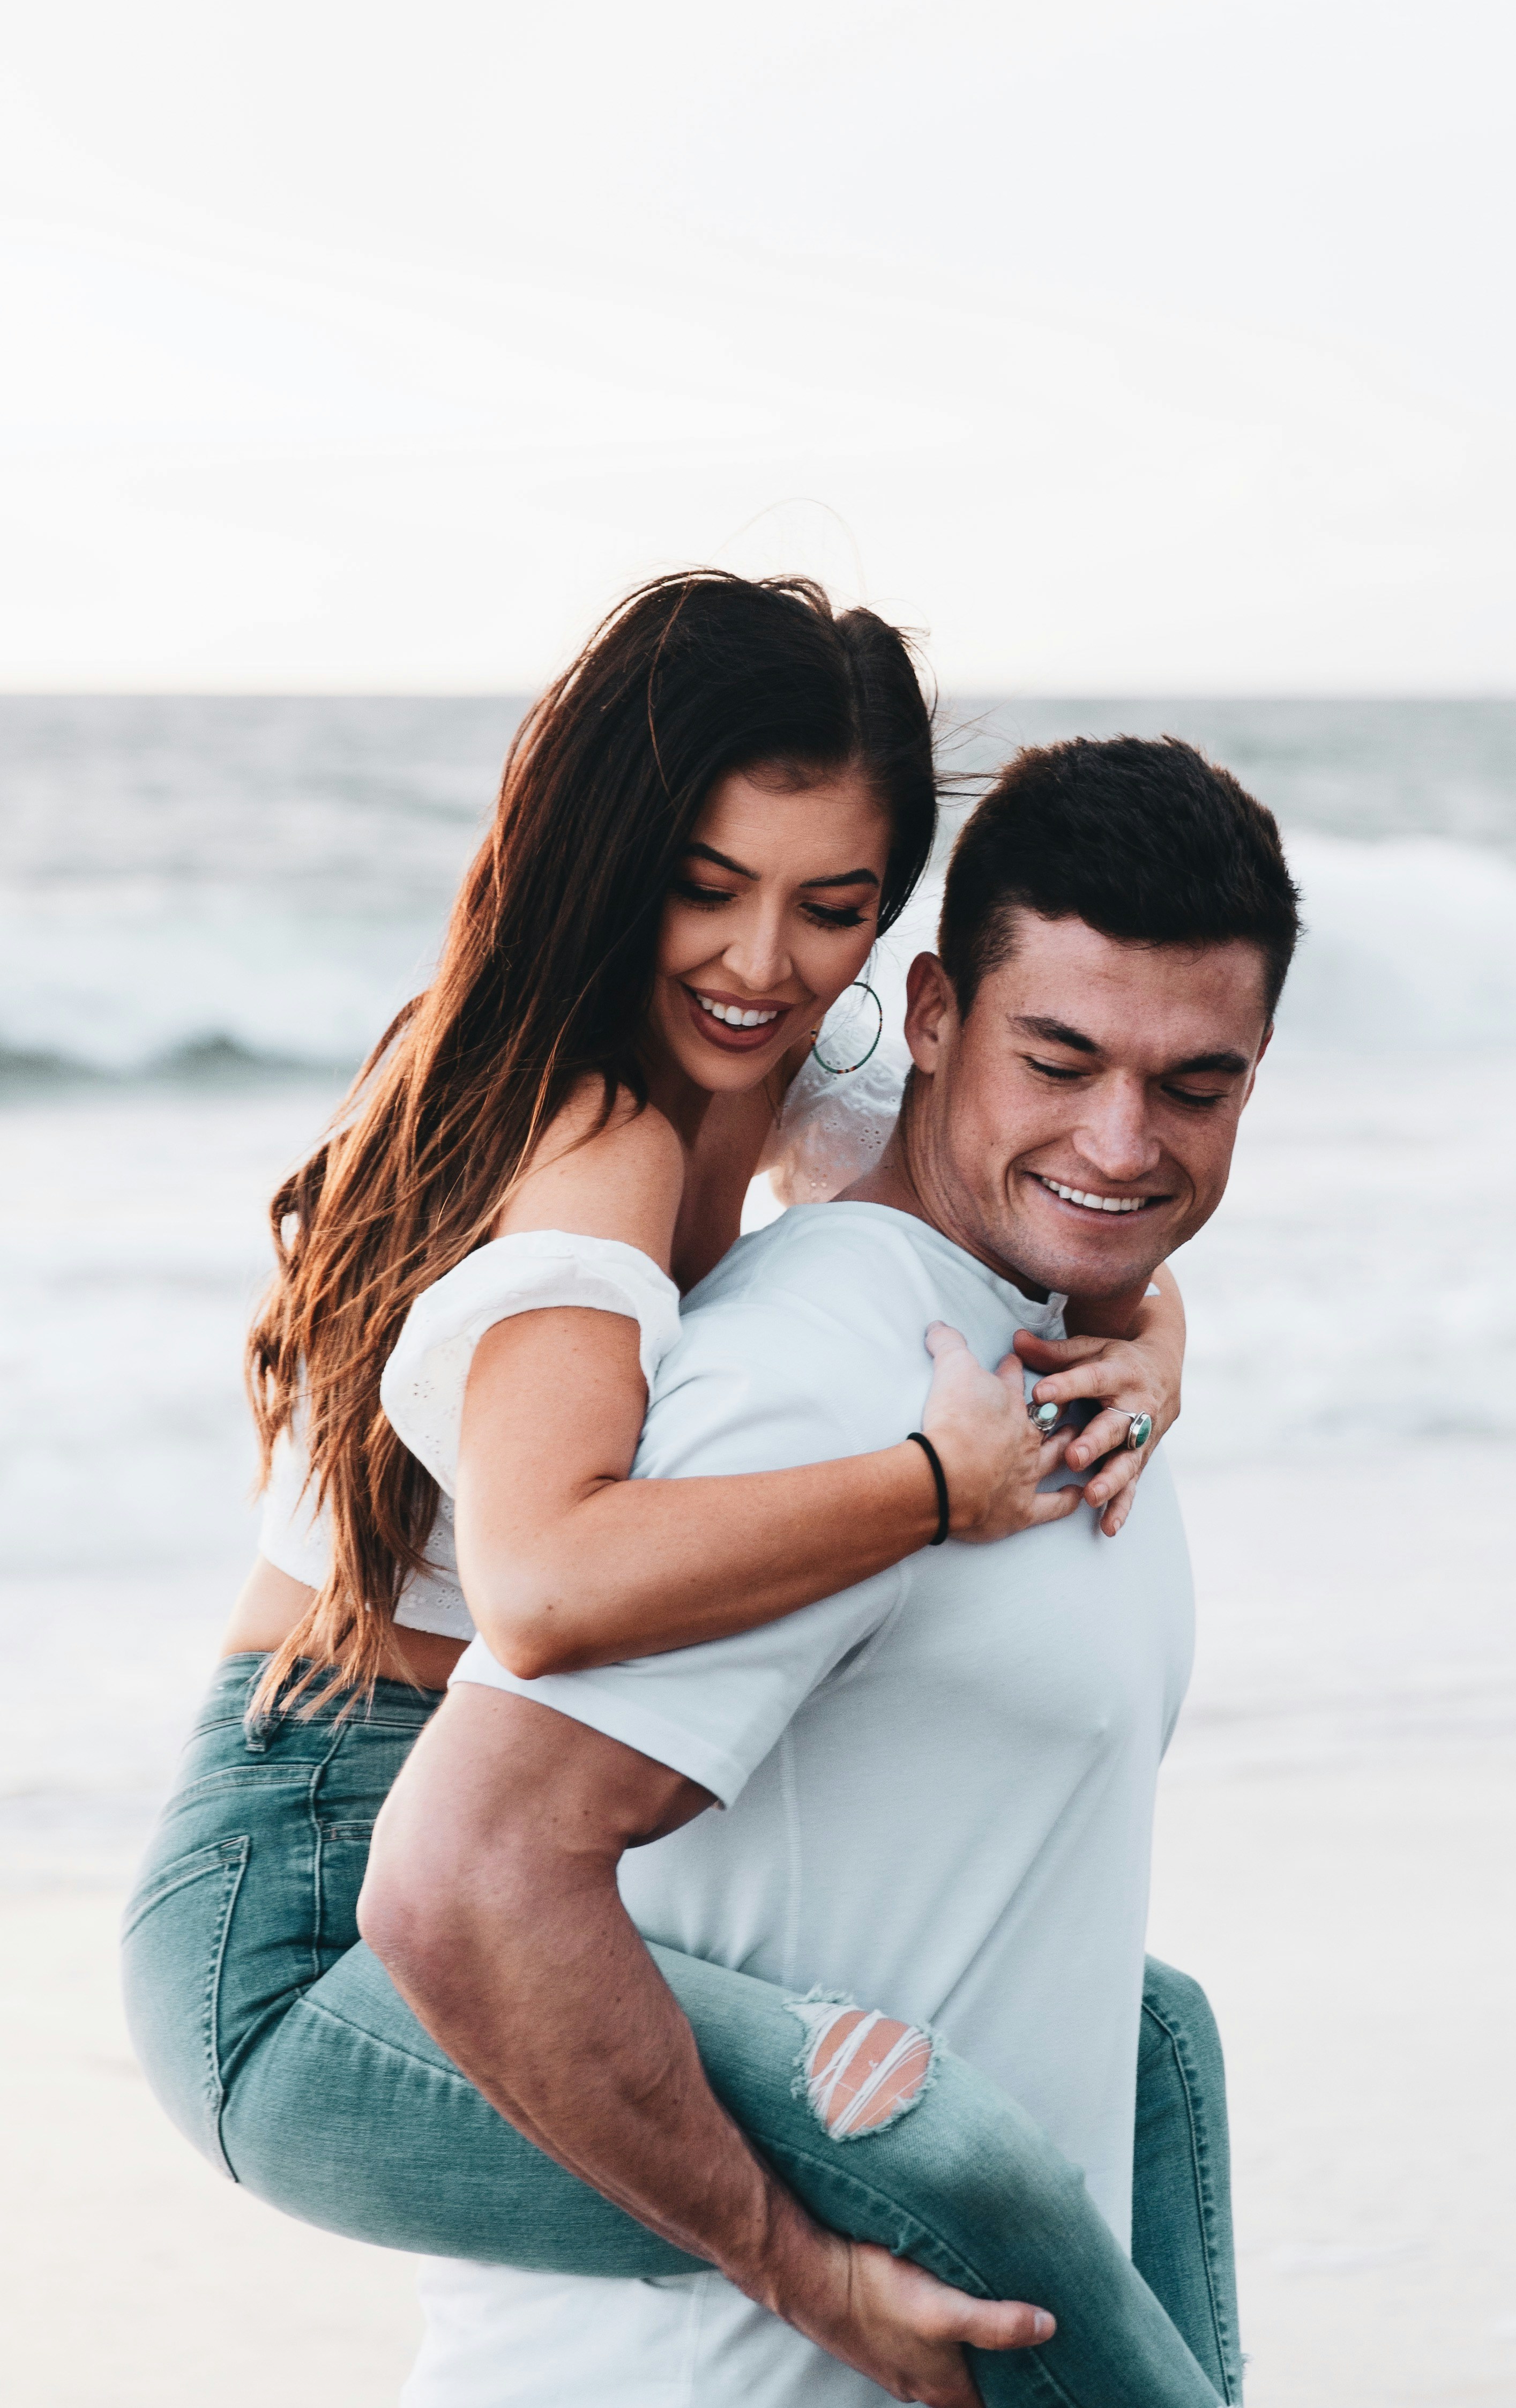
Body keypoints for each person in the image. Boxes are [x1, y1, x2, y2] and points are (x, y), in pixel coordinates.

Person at [120, 577, 1208, 2359]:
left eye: (833, 906)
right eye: (708, 887)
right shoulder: (604, 1131)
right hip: (304, 1931)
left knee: (1142, 2045)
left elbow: (1042, 1205)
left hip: (429, 1850)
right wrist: (938, 1487)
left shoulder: (745, 1082)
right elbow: (545, 1585)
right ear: (608, 853)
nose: (765, 964)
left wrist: (1152, 1345)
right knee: (952, 2145)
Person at [362, 733, 1301, 2408]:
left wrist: (1147, 1333)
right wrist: (796, 2276)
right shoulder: (829, 1370)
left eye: (1197, 1084)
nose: (1122, 1137)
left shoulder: (1048, 1356)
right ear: (933, 1017)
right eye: (1062, 1056)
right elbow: (469, 1871)